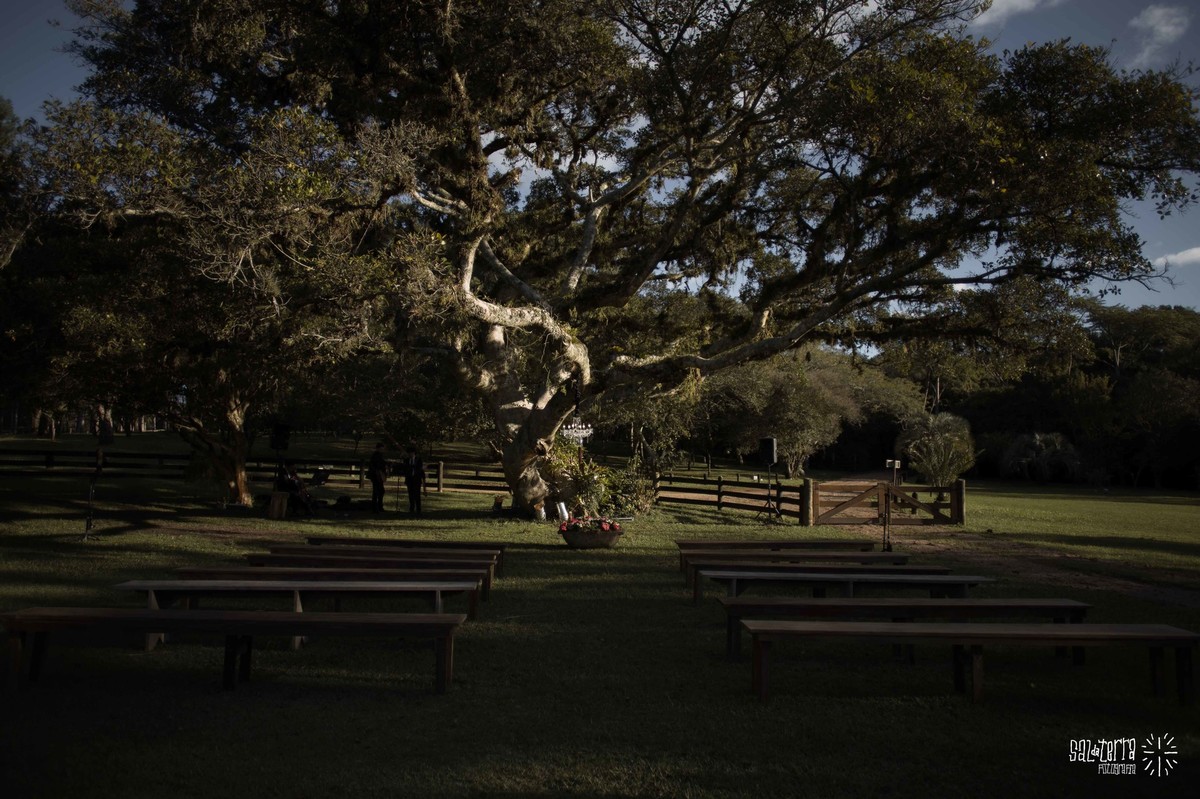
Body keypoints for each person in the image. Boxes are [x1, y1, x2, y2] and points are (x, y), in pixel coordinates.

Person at [403, 444, 425, 515]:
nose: (410, 454)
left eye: (411, 453)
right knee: (410, 494)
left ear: (414, 453)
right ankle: (411, 508)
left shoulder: (418, 460)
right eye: (409, 453)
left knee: (417, 495)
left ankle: (418, 509)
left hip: (416, 480)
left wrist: (413, 467)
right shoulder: (406, 460)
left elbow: (419, 469)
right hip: (409, 480)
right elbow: (405, 469)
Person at [368, 443, 389, 512]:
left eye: (382, 449)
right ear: (377, 448)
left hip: (378, 476)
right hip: (376, 476)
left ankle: (379, 506)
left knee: (380, 491)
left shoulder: (379, 455)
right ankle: (376, 507)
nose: (382, 450)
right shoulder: (376, 455)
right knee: (377, 492)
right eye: (381, 449)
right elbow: (377, 465)